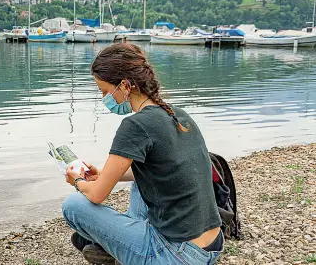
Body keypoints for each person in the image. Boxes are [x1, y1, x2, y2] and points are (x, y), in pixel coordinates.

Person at [62, 43, 224, 265]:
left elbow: (97, 196)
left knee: (73, 205)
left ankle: (116, 246)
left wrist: (78, 180)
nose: (105, 100)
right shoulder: (177, 114)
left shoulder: (135, 125)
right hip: (211, 246)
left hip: (176, 256)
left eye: (105, 92)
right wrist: (105, 174)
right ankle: (116, 244)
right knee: (143, 172)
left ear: (125, 85)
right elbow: (165, 170)